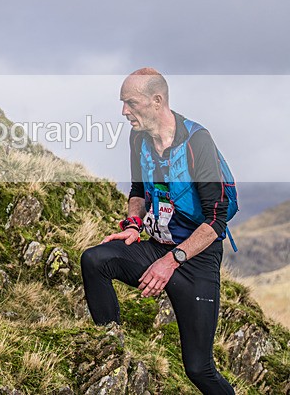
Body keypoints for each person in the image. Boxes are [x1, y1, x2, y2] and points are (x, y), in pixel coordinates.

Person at [81, 68, 235, 395]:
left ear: (156, 101)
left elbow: (216, 220)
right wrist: (133, 225)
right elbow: (138, 190)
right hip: (156, 245)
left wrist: (172, 261)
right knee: (94, 260)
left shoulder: (198, 142)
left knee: (199, 368)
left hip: (196, 259)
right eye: (123, 104)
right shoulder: (139, 138)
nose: (124, 112)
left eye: (131, 103)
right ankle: (112, 349)